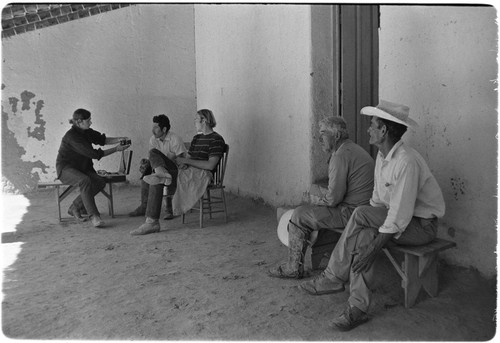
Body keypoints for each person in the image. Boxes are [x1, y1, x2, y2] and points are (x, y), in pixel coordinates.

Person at [299, 100, 446, 331]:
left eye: (372, 125)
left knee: (363, 225)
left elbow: (399, 216)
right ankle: (357, 308)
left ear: (384, 130)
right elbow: (377, 202)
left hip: (420, 227)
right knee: (364, 233)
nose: (368, 129)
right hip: (395, 219)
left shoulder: (406, 161)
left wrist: (374, 248)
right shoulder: (382, 156)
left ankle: (333, 277)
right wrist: (370, 241)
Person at [268, 116, 374, 279]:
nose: (319, 138)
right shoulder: (351, 149)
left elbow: (333, 200)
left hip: (352, 213)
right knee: (312, 195)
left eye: (323, 133)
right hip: (362, 209)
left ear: (336, 136)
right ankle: (314, 252)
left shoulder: (340, 156)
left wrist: (314, 200)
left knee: (299, 214)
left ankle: (293, 267)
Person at [131, 109, 225, 235]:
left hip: (200, 174)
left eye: (196, 120)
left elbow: (210, 165)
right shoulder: (197, 138)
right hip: (186, 170)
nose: (194, 123)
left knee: (157, 178)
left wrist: (186, 161)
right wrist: (178, 161)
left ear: (204, 120)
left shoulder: (216, 139)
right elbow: (190, 158)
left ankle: (151, 222)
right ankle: (161, 173)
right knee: (153, 153)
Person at [56, 108, 131, 228]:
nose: (90, 122)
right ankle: (94, 216)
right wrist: (116, 149)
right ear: (79, 122)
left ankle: (75, 207)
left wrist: (120, 139)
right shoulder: (72, 137)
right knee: (84, 180)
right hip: (66, 169)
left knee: (99, 182)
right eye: (88, 120)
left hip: (82, 168)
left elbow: (102, 140)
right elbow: (94, 154)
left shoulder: (86, 131)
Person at [128, 114, 187, 220]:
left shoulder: (175, 139)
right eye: (153, 127)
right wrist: (146, 162)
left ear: (164, 129)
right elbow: (153, 158)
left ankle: (170, 208)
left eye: (155, 127)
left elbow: (182, 162)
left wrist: (171, 159)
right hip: (160, 170)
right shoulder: (153, 139)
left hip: (176, 171)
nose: (153, 130)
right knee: (147, 173)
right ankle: (144, 207)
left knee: (153, 153)